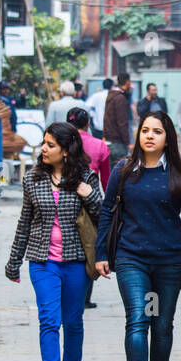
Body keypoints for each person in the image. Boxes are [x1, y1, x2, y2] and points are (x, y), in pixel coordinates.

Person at [94, 110, 181, 361]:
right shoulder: (124, 170)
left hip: (168, 262)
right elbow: (106, 211)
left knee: (162, 324)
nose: (149, 136)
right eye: (145, 130)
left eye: (157, 131)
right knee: (138, 320)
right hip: (132, 259)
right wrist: (101, 253)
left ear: (168, 139)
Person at [5, 123, 103, 361]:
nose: (43, 149)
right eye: (43, 143)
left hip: (75, 262)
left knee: (73, 321)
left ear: (66, 150)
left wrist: (90, 195)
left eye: (50, 144)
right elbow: (25, 221)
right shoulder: (33, 179)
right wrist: (14, 261)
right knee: (49, 320)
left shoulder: (87, 177)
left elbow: (103, 215)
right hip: (42, 261)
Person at [67, 108, 111, 311]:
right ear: (87, 124)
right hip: (91, 200)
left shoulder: (61, 143)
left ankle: (66, 292)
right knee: (90, 243)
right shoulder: (100, 146)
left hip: (65, 198)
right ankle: (85, 296)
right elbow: (106, 180)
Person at [103, 72, 133, 166]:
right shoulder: (120, 99)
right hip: (118, 142)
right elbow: (122, 122)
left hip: (110, 140)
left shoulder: (111, 96)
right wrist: (128, 142)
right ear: (128, 82)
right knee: (120, 173)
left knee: (112, 172)